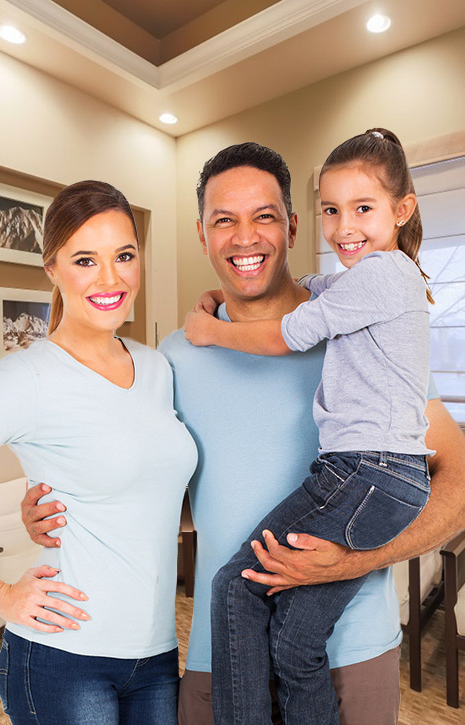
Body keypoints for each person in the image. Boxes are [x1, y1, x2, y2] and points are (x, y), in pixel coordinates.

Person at [20, 145, 465, 725]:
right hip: (221, 654)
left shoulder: (363, 330)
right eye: (224, 220)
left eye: (264, 216)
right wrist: (63, 511)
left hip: (348, 654)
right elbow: (163, 498)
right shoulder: (172, 358)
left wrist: (352, 561)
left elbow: (455, 481)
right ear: (202, 235)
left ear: (293, 225)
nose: (244, 237)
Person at [183, 129, 433, 724]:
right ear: (202, 235)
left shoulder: (375, 286)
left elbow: (289, 329)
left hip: (366, 474)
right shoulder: (352, 292)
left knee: (233, 585)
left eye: (363, 208)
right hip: (222, 657)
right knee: (295, 642)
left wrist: (213, 329)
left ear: (403, 209)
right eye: (333, 210)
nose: (345, 225)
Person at [0, 180, 197, 724]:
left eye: (124, 255)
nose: (111, 279)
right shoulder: (25, 378)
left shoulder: (157, 367)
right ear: (52, 269)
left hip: (156, 654)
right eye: (86, 259)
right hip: (63, 657)